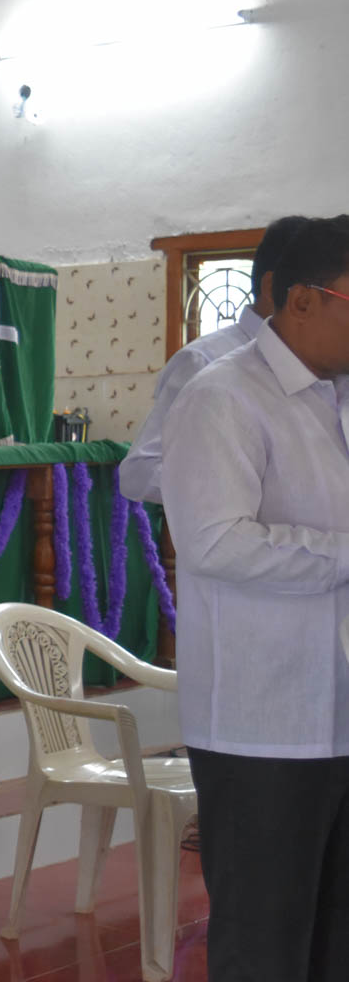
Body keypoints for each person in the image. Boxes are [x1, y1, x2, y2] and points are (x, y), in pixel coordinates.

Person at [161, 215, 349, 981]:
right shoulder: (221, 396)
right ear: (302, 300)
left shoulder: (336, 396)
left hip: (338, 708)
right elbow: (213, 541)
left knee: (334, 942)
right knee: (264, 945)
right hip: (262, 724)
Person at [120, 215, 308, 504]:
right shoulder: (203, 361)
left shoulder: (324, 367)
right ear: (272, 288)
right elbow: (140, 472)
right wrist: (236, 492)